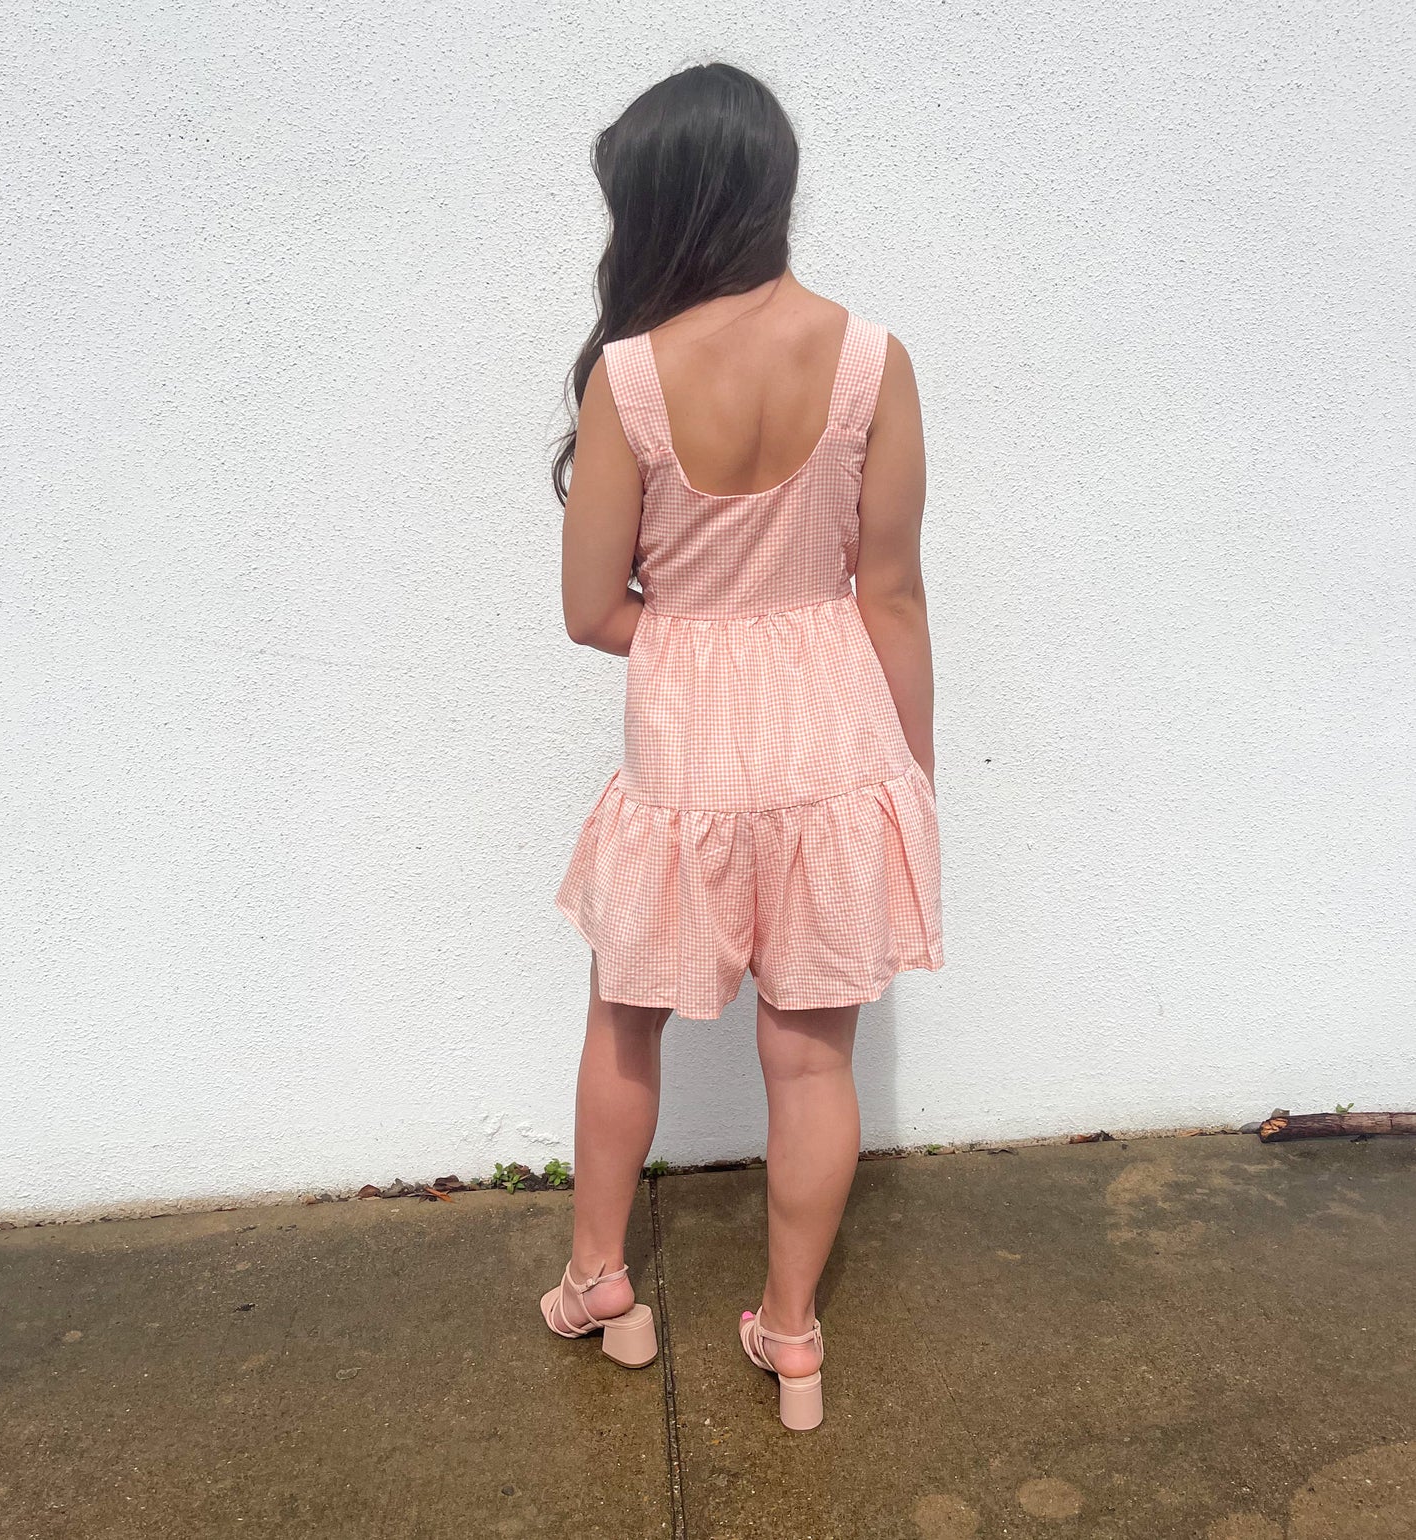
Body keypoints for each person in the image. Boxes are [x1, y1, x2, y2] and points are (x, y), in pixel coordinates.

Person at [541, 61, 944, 1432]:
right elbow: (888, 588)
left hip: (689, 748)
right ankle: (789, 1339)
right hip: (836, 737)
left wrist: (700, 622)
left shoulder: (632, 379)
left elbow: (592, 608)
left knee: (624, 1013)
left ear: (659, 203)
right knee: (812, 1059)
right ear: (769, 187)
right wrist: (914, 775)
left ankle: (600, 1279)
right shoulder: (871, 358)